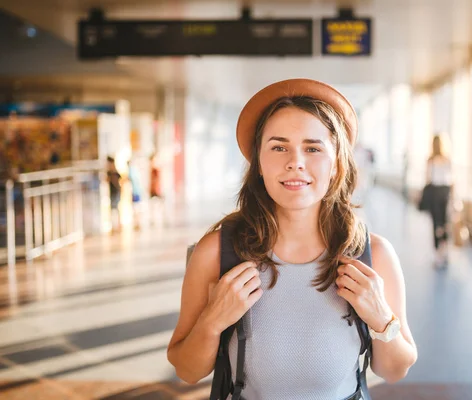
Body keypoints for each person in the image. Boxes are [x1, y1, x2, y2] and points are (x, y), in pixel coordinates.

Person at [167, 79, 418, 399]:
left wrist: (382, 318)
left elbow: (394, 370)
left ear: (337, 163)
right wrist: (212, 321)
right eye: (279, 147)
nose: (295, 162)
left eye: (312, 148)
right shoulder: (217, 253)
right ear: (258, 162)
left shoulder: (373, 255)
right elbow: (187, 371)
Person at [425, 134, 453, 267]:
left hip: (435, 193)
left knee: (436, 224)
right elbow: (452, 180)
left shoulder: (430, 160)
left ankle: (437, 256)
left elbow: (428, 178)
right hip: (445, 193)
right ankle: (445, 252)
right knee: (445, 223)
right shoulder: (447, 159)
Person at [106, 156, 122, 233]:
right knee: (112, 210)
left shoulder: (115, 172)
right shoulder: (108, 173)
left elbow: (119, 181)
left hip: (116, 192)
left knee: (116, 209)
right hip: (111, 193)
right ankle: (113, 226)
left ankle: (118, 225)